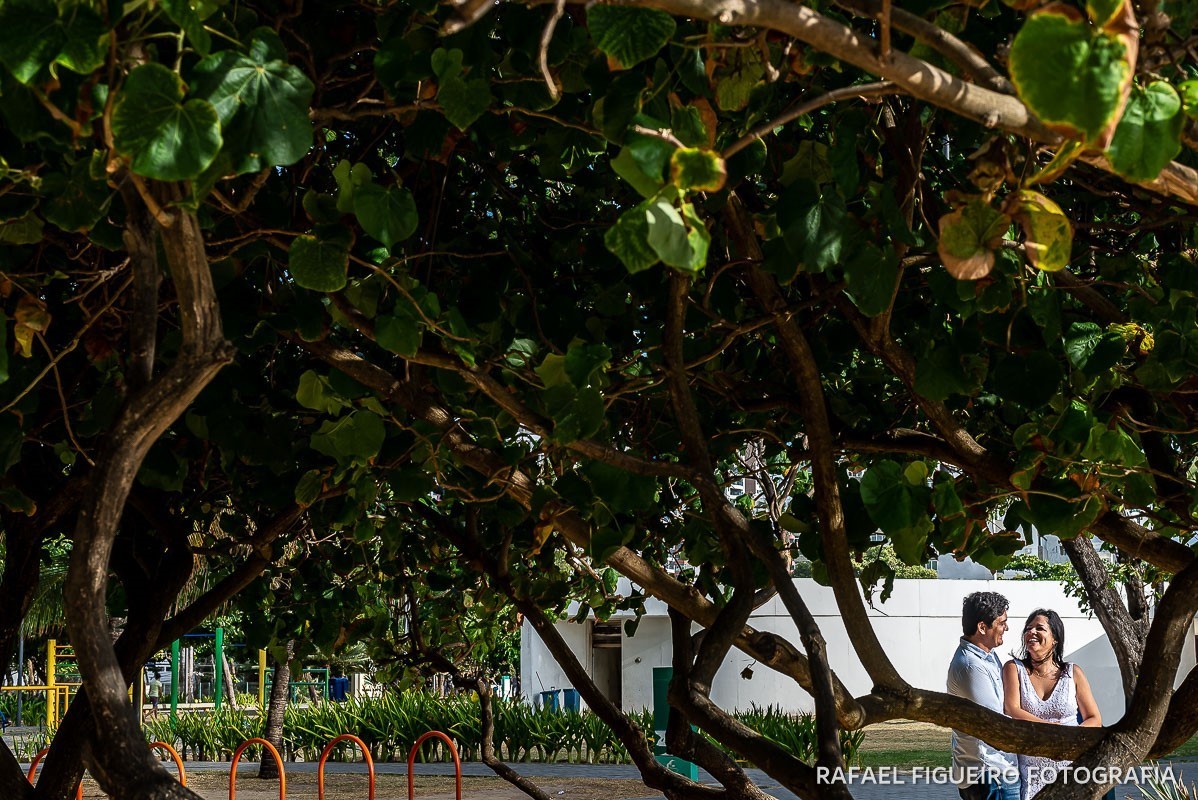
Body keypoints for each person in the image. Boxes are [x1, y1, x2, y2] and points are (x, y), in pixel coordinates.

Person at [1002, 609, 1102, 800]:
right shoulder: (1014, 668)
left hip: (1070, 767)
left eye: (1039, 628)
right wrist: (1051, 730)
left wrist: (1068, 738)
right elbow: (1012, 709)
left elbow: (1094, 718)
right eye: (1028, 628)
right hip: (1031, 773)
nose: (1031, 632)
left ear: (1055, 638)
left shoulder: (1073, 672)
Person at [947, 591, 1021, 800]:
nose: (1006, 627)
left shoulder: (987, 656)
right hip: (989, 774)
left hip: (992, 772)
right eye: (1002, 622)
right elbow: (996, 727)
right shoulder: (971, 666)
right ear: (982, 627)